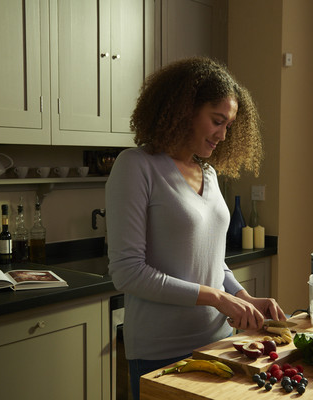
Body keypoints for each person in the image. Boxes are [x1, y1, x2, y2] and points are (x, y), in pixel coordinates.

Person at [105, 57, 286, 400]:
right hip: (161, 349)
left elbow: (213, 261)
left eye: (229, 125)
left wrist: (243, 297)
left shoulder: (210, 174)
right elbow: (127, 273)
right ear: (183, 110)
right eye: (217, 121)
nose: (223, 134)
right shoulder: (136, 167)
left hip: (217, 342)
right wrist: (218, 298)